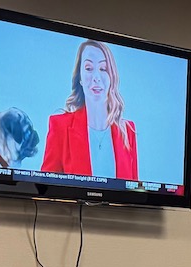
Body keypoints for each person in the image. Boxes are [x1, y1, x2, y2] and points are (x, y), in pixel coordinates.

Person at [41, 40, 138, 180]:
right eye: (88, 68)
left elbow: (134, 194)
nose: (96, 78)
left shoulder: (128, 131)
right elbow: (46, 185)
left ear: (112, 77)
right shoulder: (60, 126)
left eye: (103, 69)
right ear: (80, 78)